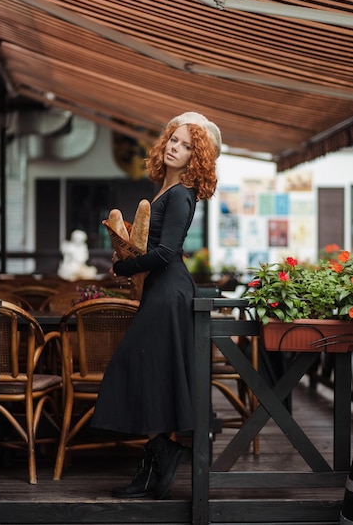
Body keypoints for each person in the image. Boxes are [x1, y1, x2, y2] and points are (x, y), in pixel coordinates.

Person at [90, 112, 221, 500]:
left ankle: (162, 454)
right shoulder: (166, 191)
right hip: (161, 291)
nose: (174, 147)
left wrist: (124, 266)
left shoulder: (181, 194)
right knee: (153, 372)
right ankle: (157, 462)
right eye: (172, 140)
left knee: (131, 364)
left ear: (195, 156)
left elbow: (168, 251)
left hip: (171, 292)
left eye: (184, 144)